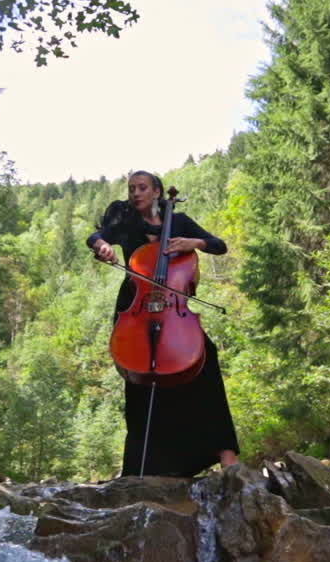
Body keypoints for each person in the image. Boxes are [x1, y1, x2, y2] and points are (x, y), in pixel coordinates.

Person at [87, 170, 240, 477]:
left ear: (156, 192)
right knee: (139, 379)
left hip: (174, 311)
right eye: (131, 188)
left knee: (204, 360)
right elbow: (96, 236)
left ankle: (227, 454)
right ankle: (141, 468)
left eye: (142, 187)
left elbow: (218, 245)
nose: (135, 193)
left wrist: (192, 242)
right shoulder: (125, 218)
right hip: (136, 305)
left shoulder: (179, 222)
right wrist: (102, 246)